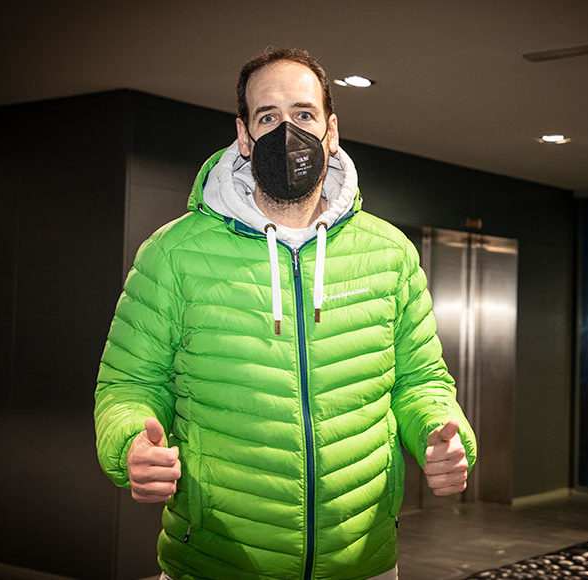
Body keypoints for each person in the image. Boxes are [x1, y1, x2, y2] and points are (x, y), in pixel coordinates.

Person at [94, 47, 477, 580]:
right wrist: (130, 442)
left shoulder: (389, 253)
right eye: (268, 117)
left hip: (362, 562)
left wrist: (442, 431)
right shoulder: (173, 254)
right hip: (215, 563)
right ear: (244, 136)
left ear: (331, 130)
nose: (287, 132)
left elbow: (421, 380)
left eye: (303, 114)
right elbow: (128, 386)